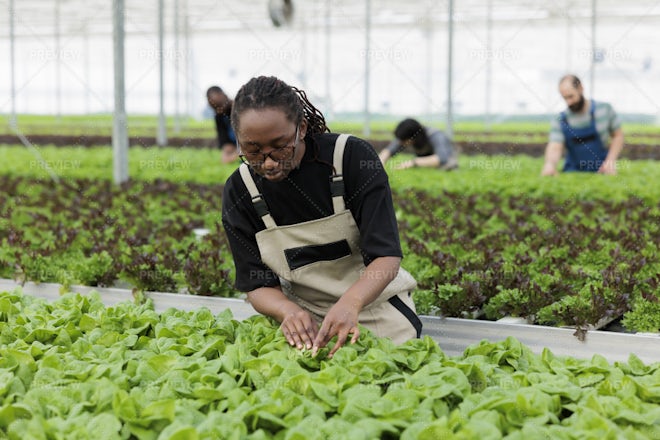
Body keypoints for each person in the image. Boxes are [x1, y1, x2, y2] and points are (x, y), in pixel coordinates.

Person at [221, 76, 422, 358]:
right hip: (302, 316)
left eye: (280, 146)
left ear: (301, 128)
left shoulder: (349, 159)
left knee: (390, 368)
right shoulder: (241, 190)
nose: (267, 162)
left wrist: (350, 303)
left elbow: (386, 257)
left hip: (372, 306)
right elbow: (256, 284)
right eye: (253, 151)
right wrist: (286, 310)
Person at [541, 74, 624, 176]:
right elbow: (555, 145)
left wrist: (610, 161)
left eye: (571, 96)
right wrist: (550, 165)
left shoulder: (604, 109)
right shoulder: (560, 119)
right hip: (572, 173)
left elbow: (618, 135)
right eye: (564, 98)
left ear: (580, 88)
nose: (569, 102)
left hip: (602, 172)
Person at [378, 118, 458, 170]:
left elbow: (442, 158)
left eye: (404, 140)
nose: (401, 143)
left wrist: (413, 163)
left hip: (447, 164)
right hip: (425, 165)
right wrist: (380, 163)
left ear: (413, 137)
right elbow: (389, 150)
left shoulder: (436, 136)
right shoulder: (405, 138)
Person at [206, 86, 239, 163]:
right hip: (235, 148)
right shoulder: (219, 117)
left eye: (220, 104)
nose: (219, 109)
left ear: (225, 96)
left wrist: (238, 154)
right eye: (215, 107)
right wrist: (228, 154)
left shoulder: (239, 109)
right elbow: (225, 143)